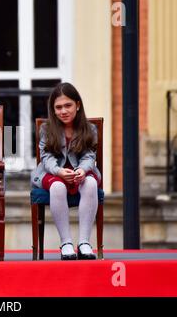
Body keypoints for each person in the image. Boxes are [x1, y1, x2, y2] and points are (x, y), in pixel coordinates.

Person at [30, 82, 101, 260]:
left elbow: (89, 156)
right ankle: (66, 242)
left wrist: (83, 171)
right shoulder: (46, 129)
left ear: (77, 105)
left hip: (81, 173)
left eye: (68, 105)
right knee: (57, 188)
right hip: (52, 173)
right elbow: (46, 158)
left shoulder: (90, 129)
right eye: (58, 107)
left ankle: (84, 242)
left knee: (91, 182)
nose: (63, 111)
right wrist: (59, 171)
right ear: (53, 110)